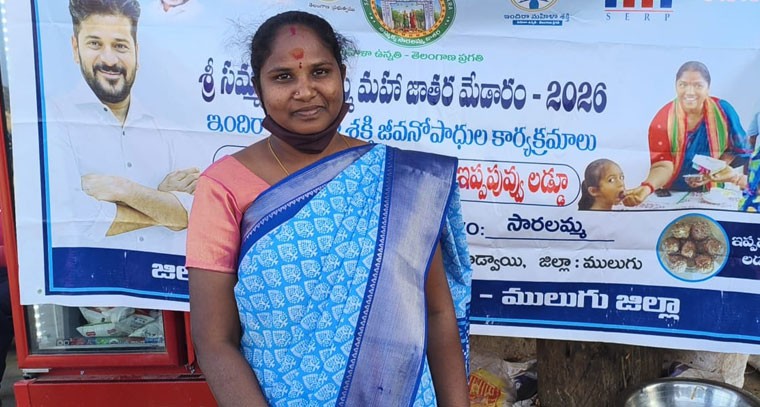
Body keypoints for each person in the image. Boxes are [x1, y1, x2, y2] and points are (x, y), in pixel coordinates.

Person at [186, 11, 472, 406]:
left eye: (320, 72)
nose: (305, 91)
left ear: (342, 75)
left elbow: (437, 315)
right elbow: (215, 341)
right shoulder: (223, 187)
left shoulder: (399, 179)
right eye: (283, 77)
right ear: (257, 88)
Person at [47, 0, 199, 253]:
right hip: (86, 275)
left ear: (136, 52)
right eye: (95, 44)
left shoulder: (167, 130)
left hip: (156, 277)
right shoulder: (53, 119)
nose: (109, 59)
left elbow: (192, 212)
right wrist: (159, 202)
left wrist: (123, 189)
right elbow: (78, 218)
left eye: (120, 46)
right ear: (75, 49)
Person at [624, 61, 751, 207]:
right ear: (676, 86)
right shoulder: (663, 118)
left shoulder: (723, 111)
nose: (690, 92)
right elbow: (663, 165)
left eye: (698, 85)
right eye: (683, 85)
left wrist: (714, 169)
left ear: (708, 88)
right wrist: (647, 188)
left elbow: (738, 149)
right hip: (673, 194)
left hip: (712, 192)